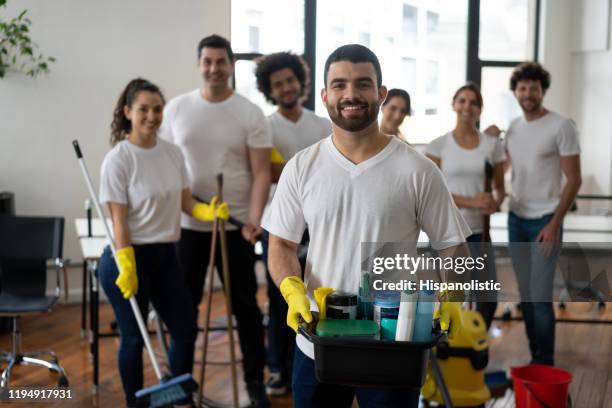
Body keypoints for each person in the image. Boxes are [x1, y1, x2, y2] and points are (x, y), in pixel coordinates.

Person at [263, 44, 470, 408]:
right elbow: (280, 244)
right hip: (317, 341)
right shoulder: (301, 167)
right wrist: (293, 290)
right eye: (339, 85)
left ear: (380, 93)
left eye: (362, 84)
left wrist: (451, 297)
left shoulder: (418, 170)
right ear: (325, 95)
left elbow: (453, 247)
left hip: (394, 344)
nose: (351, 94)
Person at [98, 78, 229, 407]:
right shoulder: (119, 159)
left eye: (158, 109)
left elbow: (186, 204)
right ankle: (136, 403)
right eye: (144, 109)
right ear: (128, 112)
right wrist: (127, 267)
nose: (152, 116)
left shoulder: (172, 153)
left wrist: (208, 210)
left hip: (165, 255)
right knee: (133, 338)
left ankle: (174, 394)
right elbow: (118, 222)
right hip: (125, 257)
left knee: (185, 328)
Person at [160, 34, 272, 406]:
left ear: (231, 64)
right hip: (190, 226)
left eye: (221, 61)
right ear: (198, 64)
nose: (214, 68)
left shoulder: (249, 112)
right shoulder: (176, 110)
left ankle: (255, 381)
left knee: (245, 308)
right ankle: (181, 382)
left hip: (236, 224)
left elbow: (260, 173)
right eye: (207, 61)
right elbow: (164, 166)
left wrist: (254, 219)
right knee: (184, 308)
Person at [487, 62, 581, 365]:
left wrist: (555, 224)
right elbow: (508, 168)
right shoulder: (514, 127)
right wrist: (492, 144)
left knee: (539, 298)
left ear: (542, 91)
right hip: (517, 219)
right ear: (516, 92)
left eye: (533, 88)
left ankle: (544, 364)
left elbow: (574, 178)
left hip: (545, 221)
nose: (528, 93)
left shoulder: (561, 125)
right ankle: (535, 360)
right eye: (522, 88)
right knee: (526, 295)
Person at [254, 51, 332, 396]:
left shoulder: (321, 124)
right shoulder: (265, 126)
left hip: (319, 222)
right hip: (280, 222)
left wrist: (289, 170)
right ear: (269, 89)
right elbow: (266, 172)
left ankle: (320, 360)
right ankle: (277, 369)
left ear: (301, 82)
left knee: (318, 292)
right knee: (281, 297)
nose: (286, 87)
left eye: (290, 80)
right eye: (278, 83)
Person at [425, 83, 506, 329]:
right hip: (448, 233)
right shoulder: (438, 145)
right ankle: (449, 353)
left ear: (479, 110)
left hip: (479, 232)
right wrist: (471, 201)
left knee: (487, 300)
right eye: (462, 100)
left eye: (473, 102)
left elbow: (500, 189)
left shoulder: (491, 145)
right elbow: (432, 192)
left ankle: (474, 346)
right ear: (453, 105)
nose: (467, 106)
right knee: (452, 299)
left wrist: (494, 202)